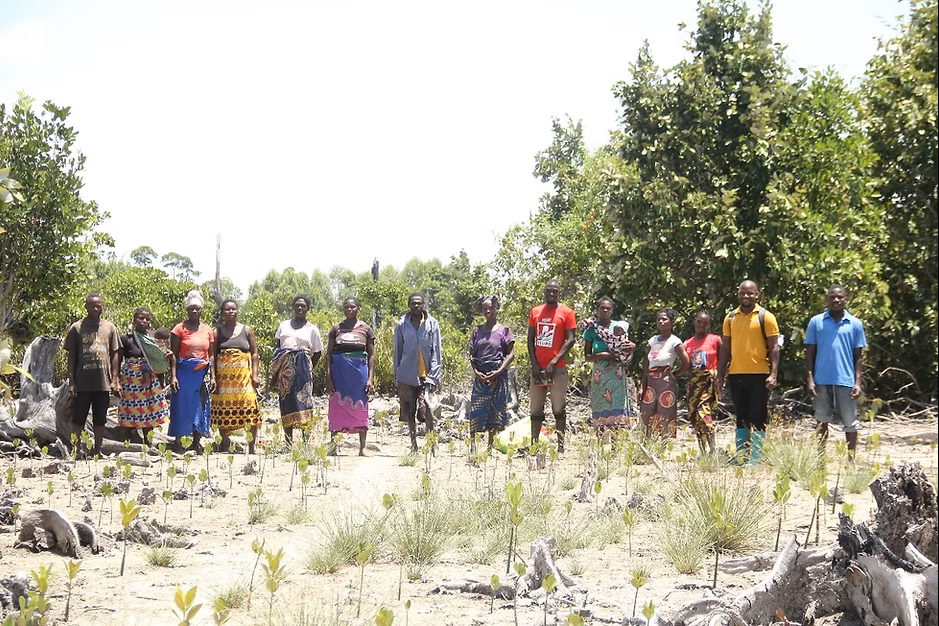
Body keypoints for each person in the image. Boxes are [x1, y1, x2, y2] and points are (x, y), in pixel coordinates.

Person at [715, 280, 780, 466]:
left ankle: (756, 457)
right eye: (743, 293)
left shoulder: (765, 317)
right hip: (736, 374)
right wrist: (720, 374)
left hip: (760, 374)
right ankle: (742, 455)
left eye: (750, 293)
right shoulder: (730, 318)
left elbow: (774, 347)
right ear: (738, 294)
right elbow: (725, 348)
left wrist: (773, 373)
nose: (746, 296)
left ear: (756, 294)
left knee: (757, 414)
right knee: (741, 414)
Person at [805, 285, 866, 460]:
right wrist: (810, 379)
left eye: (840, 297)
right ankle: (821, 459)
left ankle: (851, 460)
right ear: (827, 300)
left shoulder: (855, 324)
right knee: (821, 420)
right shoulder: (816, 322)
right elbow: (809, 352)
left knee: (850, 424)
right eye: (832, 297)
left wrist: (857, 382)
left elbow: (858, 357)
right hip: (821, 380)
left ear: (845, 299)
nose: (836, 300)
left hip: (846, 381)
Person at [65, 293, 121, 457]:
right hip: (82, 381)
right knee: (78, 418)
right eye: (92, 305)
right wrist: (71, 381)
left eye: (98, 305)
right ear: (86, 307)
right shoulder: (77, 327)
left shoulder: (110, 327)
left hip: (103, 382)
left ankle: (98, 450)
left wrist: (115, 380)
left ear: (102, 306)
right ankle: (76, 450)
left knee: (100, 419)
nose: (95, 308)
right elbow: (72, 356)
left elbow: (115, 354)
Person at [527, 279, 577, 452]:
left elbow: (571, 339)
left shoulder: (566, 312)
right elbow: (530, 340)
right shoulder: (535, 312)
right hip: (538, 369)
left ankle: (561, 446)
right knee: (536, 409)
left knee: (558, 408)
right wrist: (534, 364)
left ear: (558, 292)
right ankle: (534, 445)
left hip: (558, 369)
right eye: (549, 290)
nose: (551, 293)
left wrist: (553, 362)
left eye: (555, 291)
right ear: (544, 291)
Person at [325, 297, 375, 456]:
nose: (349, 309)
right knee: (336, 406)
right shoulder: (336, 329)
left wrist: (370, 378)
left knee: (361, 406)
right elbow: (329, 355)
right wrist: (328, 377)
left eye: (352, 307)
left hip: (359, 375)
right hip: (339, 374)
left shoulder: (366, 329)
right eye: (346, 307)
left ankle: (362, 448)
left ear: (358, 308)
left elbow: (372, 355)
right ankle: (333, 447)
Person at [393, 292, 442, 453]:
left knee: (427, 410)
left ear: (423, 305)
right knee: (409, 411)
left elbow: (436, 350)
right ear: (409, 305)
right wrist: (396, 375)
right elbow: (397, 351)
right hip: (406, 374)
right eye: (413, 303)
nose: (416, 306)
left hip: (426, 376)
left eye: (419, 303)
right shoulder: (401, 324)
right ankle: (413, 444)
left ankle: (432, 443)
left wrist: (434, 376)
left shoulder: (431, 323)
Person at [271, 294, 323, 445]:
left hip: (303, 367)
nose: (300, 308)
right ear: (293, 307)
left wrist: (308, 367)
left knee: (304, 401)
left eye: (303, 306)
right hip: (284, 367)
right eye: (297, 305)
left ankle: (306, 442)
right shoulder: (284, 325)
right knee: (286, 400)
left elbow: (318, 353)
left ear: (308, 308)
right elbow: (278, 346)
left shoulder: (312, 329)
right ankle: (288, 442)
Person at [212, 299, 261, 453]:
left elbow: (254, 353)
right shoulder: (216, 332)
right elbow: (212, 356)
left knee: (250, 408)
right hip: (224, 380)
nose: (231, 312)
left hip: (243, 379)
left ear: (237, 311)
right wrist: (213, 377)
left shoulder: (247, 330)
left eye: (233, 309)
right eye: (227, 309)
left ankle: (251, 446)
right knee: (223, 410)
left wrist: (255, 374)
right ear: (222, 313)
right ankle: (225, 444)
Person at [169, 290, 216, 452]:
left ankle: (196, 443)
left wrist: (213, 377)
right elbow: (173, 354)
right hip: (183, 373)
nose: (194, 311)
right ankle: (179, 442)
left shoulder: (208, 330)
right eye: (191, 308)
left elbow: (210, 356)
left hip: (200, 374)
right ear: (187, 310)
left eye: (197, 308)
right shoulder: (178, 329)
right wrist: (173, 376)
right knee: (181, 406)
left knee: (199, 407)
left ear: (202, 309)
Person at [581, 296, 635, 433]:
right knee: (600, 405)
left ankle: (615, 447)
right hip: (600, 372)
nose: (605, 310)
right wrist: (602, 355)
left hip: (616, 372)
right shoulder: (591, 330)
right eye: (602, 308)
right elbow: (587, 356)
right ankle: (600, 443)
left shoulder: (619, 326)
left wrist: (632, 347)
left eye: (608, 308)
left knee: (617, 404)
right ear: (597, 310)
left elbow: (624, 345)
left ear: (612, 311)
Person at [468, 296, 515, 450]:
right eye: (484, 308)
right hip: (481, 375)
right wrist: (476, 372)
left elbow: (511, 354)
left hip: (498, 375)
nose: (488, 310)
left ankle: (490, 446)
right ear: (481, 310)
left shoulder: (504, 330)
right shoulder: (477, 331)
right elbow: (471, 356)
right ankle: (473, 446)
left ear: (496, 308)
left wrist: (499, 371)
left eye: (491, 307)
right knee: (476, 409)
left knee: (495, 409)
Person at [116, 307, 169, 443]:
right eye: (141, 318)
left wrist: (162, 376)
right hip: (130, 381)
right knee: (128, 411)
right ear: (134, 320)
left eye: (147, 319)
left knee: (149, 411)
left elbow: (161, 356)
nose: (144, 321)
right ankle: (124, 444)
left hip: (150, 379)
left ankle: (148, 443)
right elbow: (117, 360)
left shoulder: (152, 337)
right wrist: (115, 380)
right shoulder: (126, 338)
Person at [640, 308, 689, 438]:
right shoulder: (653, 340)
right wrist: (642, 384)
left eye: (664, 319)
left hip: (666, 381)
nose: (661, 321)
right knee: (647, 411)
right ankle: (648, 442)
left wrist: (674, 374)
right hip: (650, 381)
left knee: (665, 411)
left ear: (671, 322)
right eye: (659, 319)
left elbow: (686, 363)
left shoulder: (675, 341)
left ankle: (663, 444)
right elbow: (646, 363)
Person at [683, 310, 722, 455]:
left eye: (705, 323)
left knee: (705, 415)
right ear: (694, 322)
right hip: (694, 384)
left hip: (709, 384)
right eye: (699, 322)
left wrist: (720, 377)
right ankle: (702, 451)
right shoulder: (687, 343)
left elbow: (724, 359)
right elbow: (685, 365)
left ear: (708, 325)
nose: (701, 325)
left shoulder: (715, 340)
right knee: (695, 418)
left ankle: (712, 450)